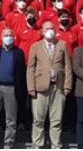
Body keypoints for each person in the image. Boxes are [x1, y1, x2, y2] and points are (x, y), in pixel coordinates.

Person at [27, 21, 72, 149]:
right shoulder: (35, 46)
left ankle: (56, 145)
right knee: (38, 120)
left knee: (56, 120)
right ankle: (37, 145)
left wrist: (67, 85)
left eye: (52, 28)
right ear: (42, 31)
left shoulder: (62, 45)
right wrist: (31, 87)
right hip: (40, 87)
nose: (50, 30)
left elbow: (67, 66)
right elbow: (31, 68)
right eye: (47, 28)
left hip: (58, 87)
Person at [0, 28, 27, 149]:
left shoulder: (19, 53)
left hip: (12, 89)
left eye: (10, 35)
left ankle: (8, 144)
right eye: (6, 35)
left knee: (11, 119)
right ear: (1, 37)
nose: (8, 37)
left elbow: (21, 73)